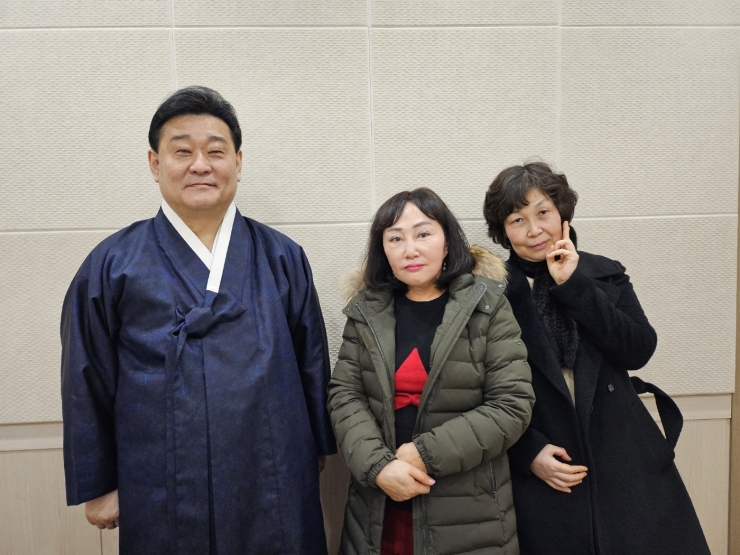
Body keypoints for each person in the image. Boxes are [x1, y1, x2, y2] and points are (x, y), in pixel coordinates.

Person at [60, 86, 336, 554]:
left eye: (215, 151)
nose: (200, 165)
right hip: (159, 477)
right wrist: (99, 483)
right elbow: (85, 375)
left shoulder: (282, 257)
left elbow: (312, 360)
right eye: (182, 151)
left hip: (273, 470)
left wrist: (316, 449)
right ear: (155, 163)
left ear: (238, 162)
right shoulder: (113, 264)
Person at [483, 161, 710, 555]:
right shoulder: (491, 292)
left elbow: (638, 350)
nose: (534, 230)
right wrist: (527, 452)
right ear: (503, 231)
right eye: (517, 220)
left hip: (623, 455)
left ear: (562, 214)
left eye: (543, 212)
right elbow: (479, 387)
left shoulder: (603, 273)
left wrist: (574, 285)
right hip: (547, 463)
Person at [327, 187, 534, 555]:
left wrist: (422, 453)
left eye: (423, 234)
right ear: (383, 250)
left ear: (447, 242)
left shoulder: (488, 306)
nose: (410, 249)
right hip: (379, 508)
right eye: (395, 238)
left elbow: (512, 405)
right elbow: (345, 396)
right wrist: (378, 466)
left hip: (469, 514)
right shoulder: (365, 311)